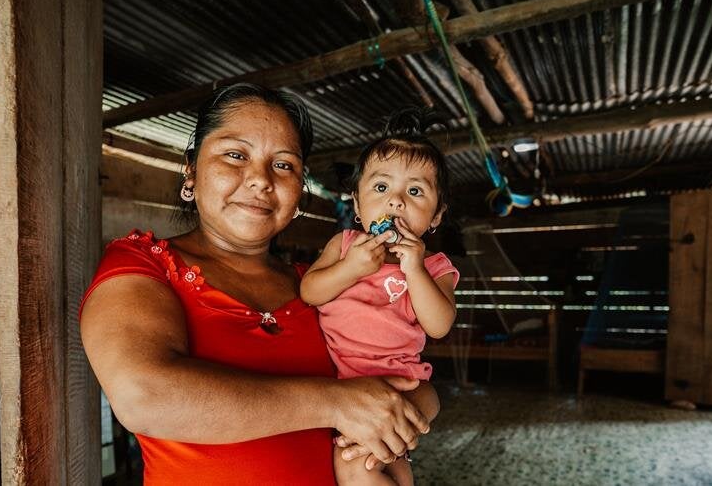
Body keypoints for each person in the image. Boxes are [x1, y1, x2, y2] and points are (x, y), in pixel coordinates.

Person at [79, 83, 430, 485]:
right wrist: (336, 404)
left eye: (283, 165)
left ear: (299, 190)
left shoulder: (323, 286)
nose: (260, 179)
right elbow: (145, 396)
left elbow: (397, 377)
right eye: (235, 154)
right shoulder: (144, 264)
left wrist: (418, 404)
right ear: (191, 169)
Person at [301, 108, 459, 485]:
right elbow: (310, 291)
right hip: (349, 388)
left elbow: (439, 326)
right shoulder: (344, 246)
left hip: (401, 384)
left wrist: (414, 269)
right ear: (357, 205)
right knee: (383, 468)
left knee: (358, 467)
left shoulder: (435, 266)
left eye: (415, 191)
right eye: (381, 187)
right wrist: (351, 268)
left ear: (436, 216)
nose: (396, 202)